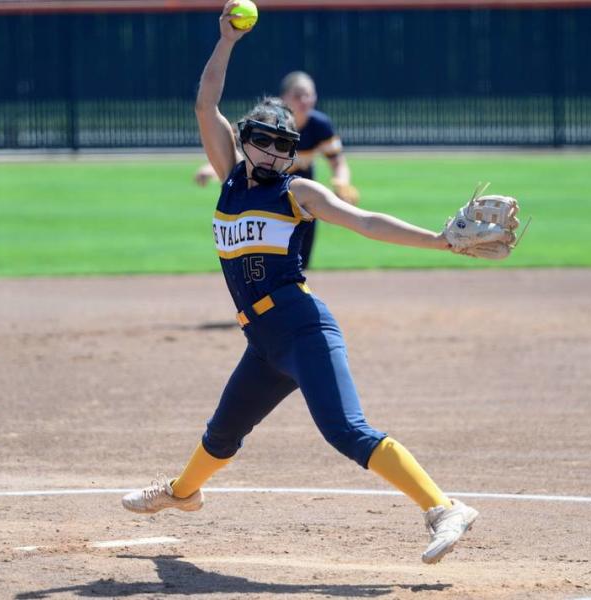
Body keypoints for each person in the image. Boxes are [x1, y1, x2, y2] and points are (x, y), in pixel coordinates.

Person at [123, 1, 479, 565]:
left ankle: (444, 508)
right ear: (246, 140)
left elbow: (364, 221)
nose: (275, 152)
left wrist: (440, 240)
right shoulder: (232, 179)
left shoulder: (295, 192)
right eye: (265, 141)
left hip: (302, 327)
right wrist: (227, 41)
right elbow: (204, 101)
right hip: (264, 341)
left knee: (346, 430)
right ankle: (182, 493)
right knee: (221, 434)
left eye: (284, 145)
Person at [195, 72, 358, 270]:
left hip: (302, 196)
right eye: (298, 95)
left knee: (301, 261)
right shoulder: (267, 123)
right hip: (268, 192)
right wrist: (210, 168)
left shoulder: (320, 125)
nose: (305, 100)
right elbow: (233, 148)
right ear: (285, 97)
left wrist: (342, 183)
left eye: (309, 95)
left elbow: (337, 162)